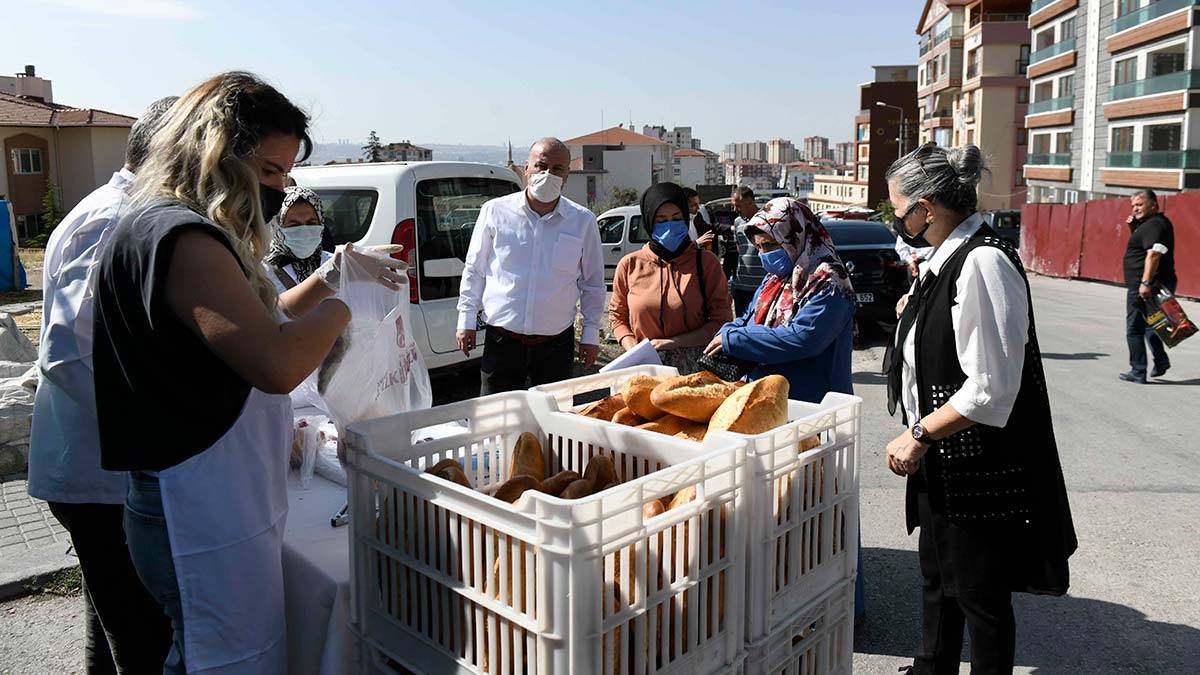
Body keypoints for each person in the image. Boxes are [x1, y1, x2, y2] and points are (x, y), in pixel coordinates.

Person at [91, 71, 406, 674]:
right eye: (268, 172)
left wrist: (333, 275)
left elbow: (260, 323)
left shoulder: (168, 227)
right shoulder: (184, 238)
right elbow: (275, 361)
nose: (277, 189)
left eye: (286, 174)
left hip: (201, 494)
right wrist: (347, 307)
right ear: (215, 154)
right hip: (190, 505)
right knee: (214, 657)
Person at [881, 143, 1077, 674]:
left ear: (927, 208)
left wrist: (919, 433)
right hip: (943, 461)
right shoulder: (940, 262)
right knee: (939, 581)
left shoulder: (984, 262)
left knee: (979, 597)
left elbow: (990, 386)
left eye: (900, 211)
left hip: (976, 463)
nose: (897, 222)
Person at [27, 95, 177, 674]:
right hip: (101, 474)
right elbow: (75, 355)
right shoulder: (115, 220)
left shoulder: (127, 213)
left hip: (103, 468)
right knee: (141, 637)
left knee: (114, 624)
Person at [456, 137, 606, 394]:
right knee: (497, 422)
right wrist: (466, 318)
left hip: (556, 346)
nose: (548, 174)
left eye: (557, 169)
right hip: (502, 340)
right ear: (526, 168)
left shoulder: (582, 222)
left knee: (553, 425)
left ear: (567, 175)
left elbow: (592, 282)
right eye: (541, 166)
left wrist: (590, 335)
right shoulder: (495, 212)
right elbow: (475, 269)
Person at [704, 197, 856, 403]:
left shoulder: (828, 282)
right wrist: (727, 331)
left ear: (794, 237)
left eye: (770, 245)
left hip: (813, 403)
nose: (763, 254)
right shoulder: (776, 279)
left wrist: (736, 339)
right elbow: (749, 317)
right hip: (769, 398)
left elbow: (802, 339)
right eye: (758, 247)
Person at [609, 183, 732, 373]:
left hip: (694, 369)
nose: (670, 225)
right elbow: (618, 317)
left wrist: (672, 343)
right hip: (644, 367)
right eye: (661, 220)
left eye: (676, 218)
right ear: (649, 222)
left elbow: (721, 320)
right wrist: (634, 349)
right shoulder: (629, 265)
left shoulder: (706, 263)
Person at [1119, 189, 1177, 383]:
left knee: (1134, 329)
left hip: (1144, 285)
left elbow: (1153, 254)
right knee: (1151, 325)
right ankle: (1160, 361)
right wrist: (1134, 229)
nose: (1135, 209)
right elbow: (1144, 248)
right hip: (1147, 283)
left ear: (1154, 204)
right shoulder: (1151, 224)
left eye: (1139, 204)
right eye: (1133, 205)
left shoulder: (1155, 225)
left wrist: (1145, 283)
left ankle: (1138, 371)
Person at [265, 186, 333, 293]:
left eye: (312, 223)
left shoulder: (334, 265)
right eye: (293, 225)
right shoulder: (263, 273)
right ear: (277, 227)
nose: (304, 232)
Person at [729, 186, 765, 315]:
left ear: (750, 202)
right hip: (741, 287)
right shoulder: (738, 222)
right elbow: (740, 249)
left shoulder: (766, 220)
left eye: (738, 206)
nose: (735, 210)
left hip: (762, 287)